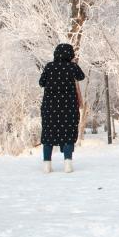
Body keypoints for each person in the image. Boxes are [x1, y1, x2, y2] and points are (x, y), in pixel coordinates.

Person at [39, 43, 86, 173]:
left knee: (48, 135)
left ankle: (47, 165)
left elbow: (41, 82)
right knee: (68, 133)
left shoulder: (49, 66)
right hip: (68, 107)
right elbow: (81, 76)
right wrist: (73, 64)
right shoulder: (72, 67)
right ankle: (68, 164)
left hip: (50, 108)